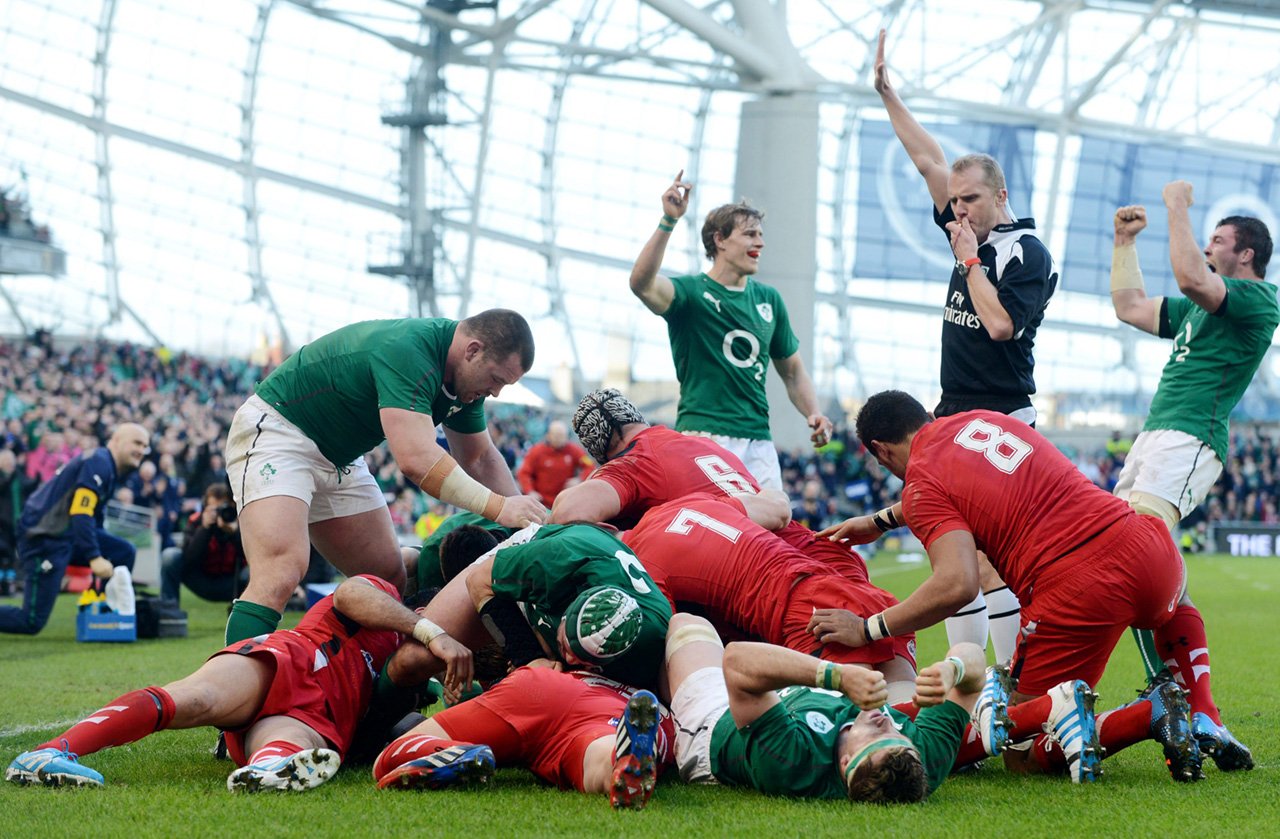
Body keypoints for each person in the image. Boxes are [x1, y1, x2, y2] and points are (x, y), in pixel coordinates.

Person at [818, 390, 1249, 776]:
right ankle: (1203, 709)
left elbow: (957, 584)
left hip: (1079, 588)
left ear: (880, 450)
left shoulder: (920, 485)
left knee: (1020, 749)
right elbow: (962, 485)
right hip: (1148, 548)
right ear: (926, 416)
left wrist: (868, 627)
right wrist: (880, 521)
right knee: (1176, 588)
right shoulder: (982, 420)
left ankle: (1146, 713)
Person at [873, 29, 1058, 660]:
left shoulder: (1023, 252)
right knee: (953, 552)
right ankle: (969, 682)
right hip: (953, 413)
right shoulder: (963, 228)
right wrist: (889, 95)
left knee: (991, 559)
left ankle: (1002, 686)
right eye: (955, 202)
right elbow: (928, 159)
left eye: (971, 199)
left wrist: (971, 261)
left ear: (1000, 195)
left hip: (1004, 417)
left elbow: (1003, 325)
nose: (960, 210)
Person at [222, 310, 547, 646]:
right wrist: (500, 508)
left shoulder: (464, 381)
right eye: (496, 379)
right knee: (280, 570)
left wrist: (527, 526)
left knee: (387, 578)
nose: (494, 393)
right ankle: (231, 689)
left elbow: (479, 457)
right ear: (472, 350)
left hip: (340, 456)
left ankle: (364, 679)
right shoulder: (410, 349)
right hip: (280, 432)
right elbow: (417, 459)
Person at [5, 574, 473, 791]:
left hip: (317, 716)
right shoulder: (390, 605)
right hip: (290, 658)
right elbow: (350, 592)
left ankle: (263, 773)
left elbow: (410, 719)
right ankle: (50, 752)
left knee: (285, 743)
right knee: (193, 698)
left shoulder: (413, 678)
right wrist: (429, 630)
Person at [1109, 183, 1278, 763]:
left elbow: (1191, 280)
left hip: (1190, 439)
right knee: (1125, 562)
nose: (1208, 246)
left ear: (1246, 254)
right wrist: (1123, 243)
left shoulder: (1259, 299)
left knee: (1140, 556)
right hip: (1154, 436)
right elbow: (1130, 307)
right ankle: (1184, 704)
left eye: (1219, 240)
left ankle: (1199, 709)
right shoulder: (1199, 306)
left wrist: (1177, 207)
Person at [625, 172, 832, 490]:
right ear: (720, 240)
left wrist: (814, 412)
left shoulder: (768, 300)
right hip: (703, 433)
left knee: (777, 518)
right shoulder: (691, 294)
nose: (760, 243)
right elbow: (641, 284)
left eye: (761, 235)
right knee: (719, 523)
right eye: (750, 234)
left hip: (758, 437)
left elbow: (792, 373)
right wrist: (668, 222)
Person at [622, 493, 916, 701]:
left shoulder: (639, 559)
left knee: (846, 727)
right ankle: (959, 718)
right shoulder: (690, 501)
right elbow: (778, 508)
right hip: (852, 588)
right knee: (905, 708)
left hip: (805, 609)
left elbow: (671, 644)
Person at [553, 389, 866, 584]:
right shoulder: (700, 443)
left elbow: (568, 512)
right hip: (822, 553)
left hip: (772, 571)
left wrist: (634, 534)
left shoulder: (635, 460)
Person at [663, 613, 984, 802]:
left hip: (714, 724)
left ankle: (653, 716)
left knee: (687, 623)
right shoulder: (919, 757)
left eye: (876, 732)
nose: (887, 722)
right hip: (785, 695)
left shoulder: (793, 760)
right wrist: (953, 669)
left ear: (844, 763)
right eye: (899, 735)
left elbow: (736, 662)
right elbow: (975, 661)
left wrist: (835, 676)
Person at [372, 665, 673, 810]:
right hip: (621, 709)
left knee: (387, 758)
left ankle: (454, 750)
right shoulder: (674, 697)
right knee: (601, 754)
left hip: (548, 685)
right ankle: (621, 759)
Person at [460, 522, 672, 690]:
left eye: (583, 659)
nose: (569, 658)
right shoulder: (555, 562)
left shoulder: (650, 646)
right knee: (433, 652)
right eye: (563, 644)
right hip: (535, 554)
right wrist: (529, 657)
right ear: (569, 606)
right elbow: (478, 581)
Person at [0, 423, 149, 635]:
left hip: (65, 536)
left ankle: (106, 617)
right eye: (136, 442)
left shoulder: (107, 466)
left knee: (123, 551)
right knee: (31, 621)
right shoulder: (100, 462)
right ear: (116, 440)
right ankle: (103, 615)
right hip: (44, 538)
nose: (141, 450)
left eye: (145, 446)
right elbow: (81, 511)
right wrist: (94, 555)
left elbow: (93, 520)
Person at [159, 483, 244, 605]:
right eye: (215, 509)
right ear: (205, 508)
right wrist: (205, 528)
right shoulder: (196, 521)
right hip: (201, 579)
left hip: (233, 583)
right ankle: (169, 609)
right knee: (170, 556)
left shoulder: (240, 520)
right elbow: (188, 560)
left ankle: (248, 614)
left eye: (223, 508)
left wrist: (234, 533)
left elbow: (251, 557)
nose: (219, 513)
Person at [516, 420, 594, 506]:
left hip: (564, 500)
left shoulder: (574, 450)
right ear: (548, 435)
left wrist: (580, 479)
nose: (559, 438)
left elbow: (590, 466)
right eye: (556, 435)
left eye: (562, 435)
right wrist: (530, 491)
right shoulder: (536, 451)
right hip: (541, 501)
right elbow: (523, 472)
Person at [0, 448, 37, 597]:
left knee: (17, 555)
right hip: (2, 523)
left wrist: (37, 480)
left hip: (18, 521)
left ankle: (13, 583)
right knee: (4, 554)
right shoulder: (5, 477)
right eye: (7, 460)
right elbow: (3, 486)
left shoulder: (18, 475)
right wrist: (11, 476)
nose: (10, 463)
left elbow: (28, 486)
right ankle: (3, 585)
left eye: (11, 460)